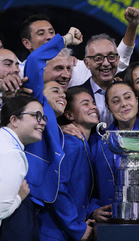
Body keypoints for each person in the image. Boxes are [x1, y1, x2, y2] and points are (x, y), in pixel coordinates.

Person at [0, 27, 81, 241]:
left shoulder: (56, 124)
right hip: (22, 197)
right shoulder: (37, 101)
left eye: (63, 93)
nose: (61, 93)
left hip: (37, 205)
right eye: (54, 90)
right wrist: (65, 40)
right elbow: (34, 62)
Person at [0, 95, 46, 241]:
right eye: (36, 116)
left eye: (43, 118)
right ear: (14, 120)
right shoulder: (11, 152)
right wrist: (19, 197)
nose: (42, 122)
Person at [88, 81, 139, 222]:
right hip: (110, 219)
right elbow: (88, 186)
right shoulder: (96, 142)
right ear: (109, 109)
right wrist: (93, 209)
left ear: (136, 100)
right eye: (116, 101)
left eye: (128, 97)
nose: (123, 104)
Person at [19, 8, 139, 86]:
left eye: (52, 32)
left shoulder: (75, 67)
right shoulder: (20, 71)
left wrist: (132, 26)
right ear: (27, 43)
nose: (49, 37)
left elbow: (116, 61)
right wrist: (65, 39)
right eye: (41, 33)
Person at [39, 87, 98, 241]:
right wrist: (76, 227)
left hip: (66, 230)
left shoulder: (85, 143)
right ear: (69, 115)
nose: (93, 107)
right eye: (85, 104)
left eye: (93, 102)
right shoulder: (71, 142)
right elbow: (57, 187)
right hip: (55, 232)